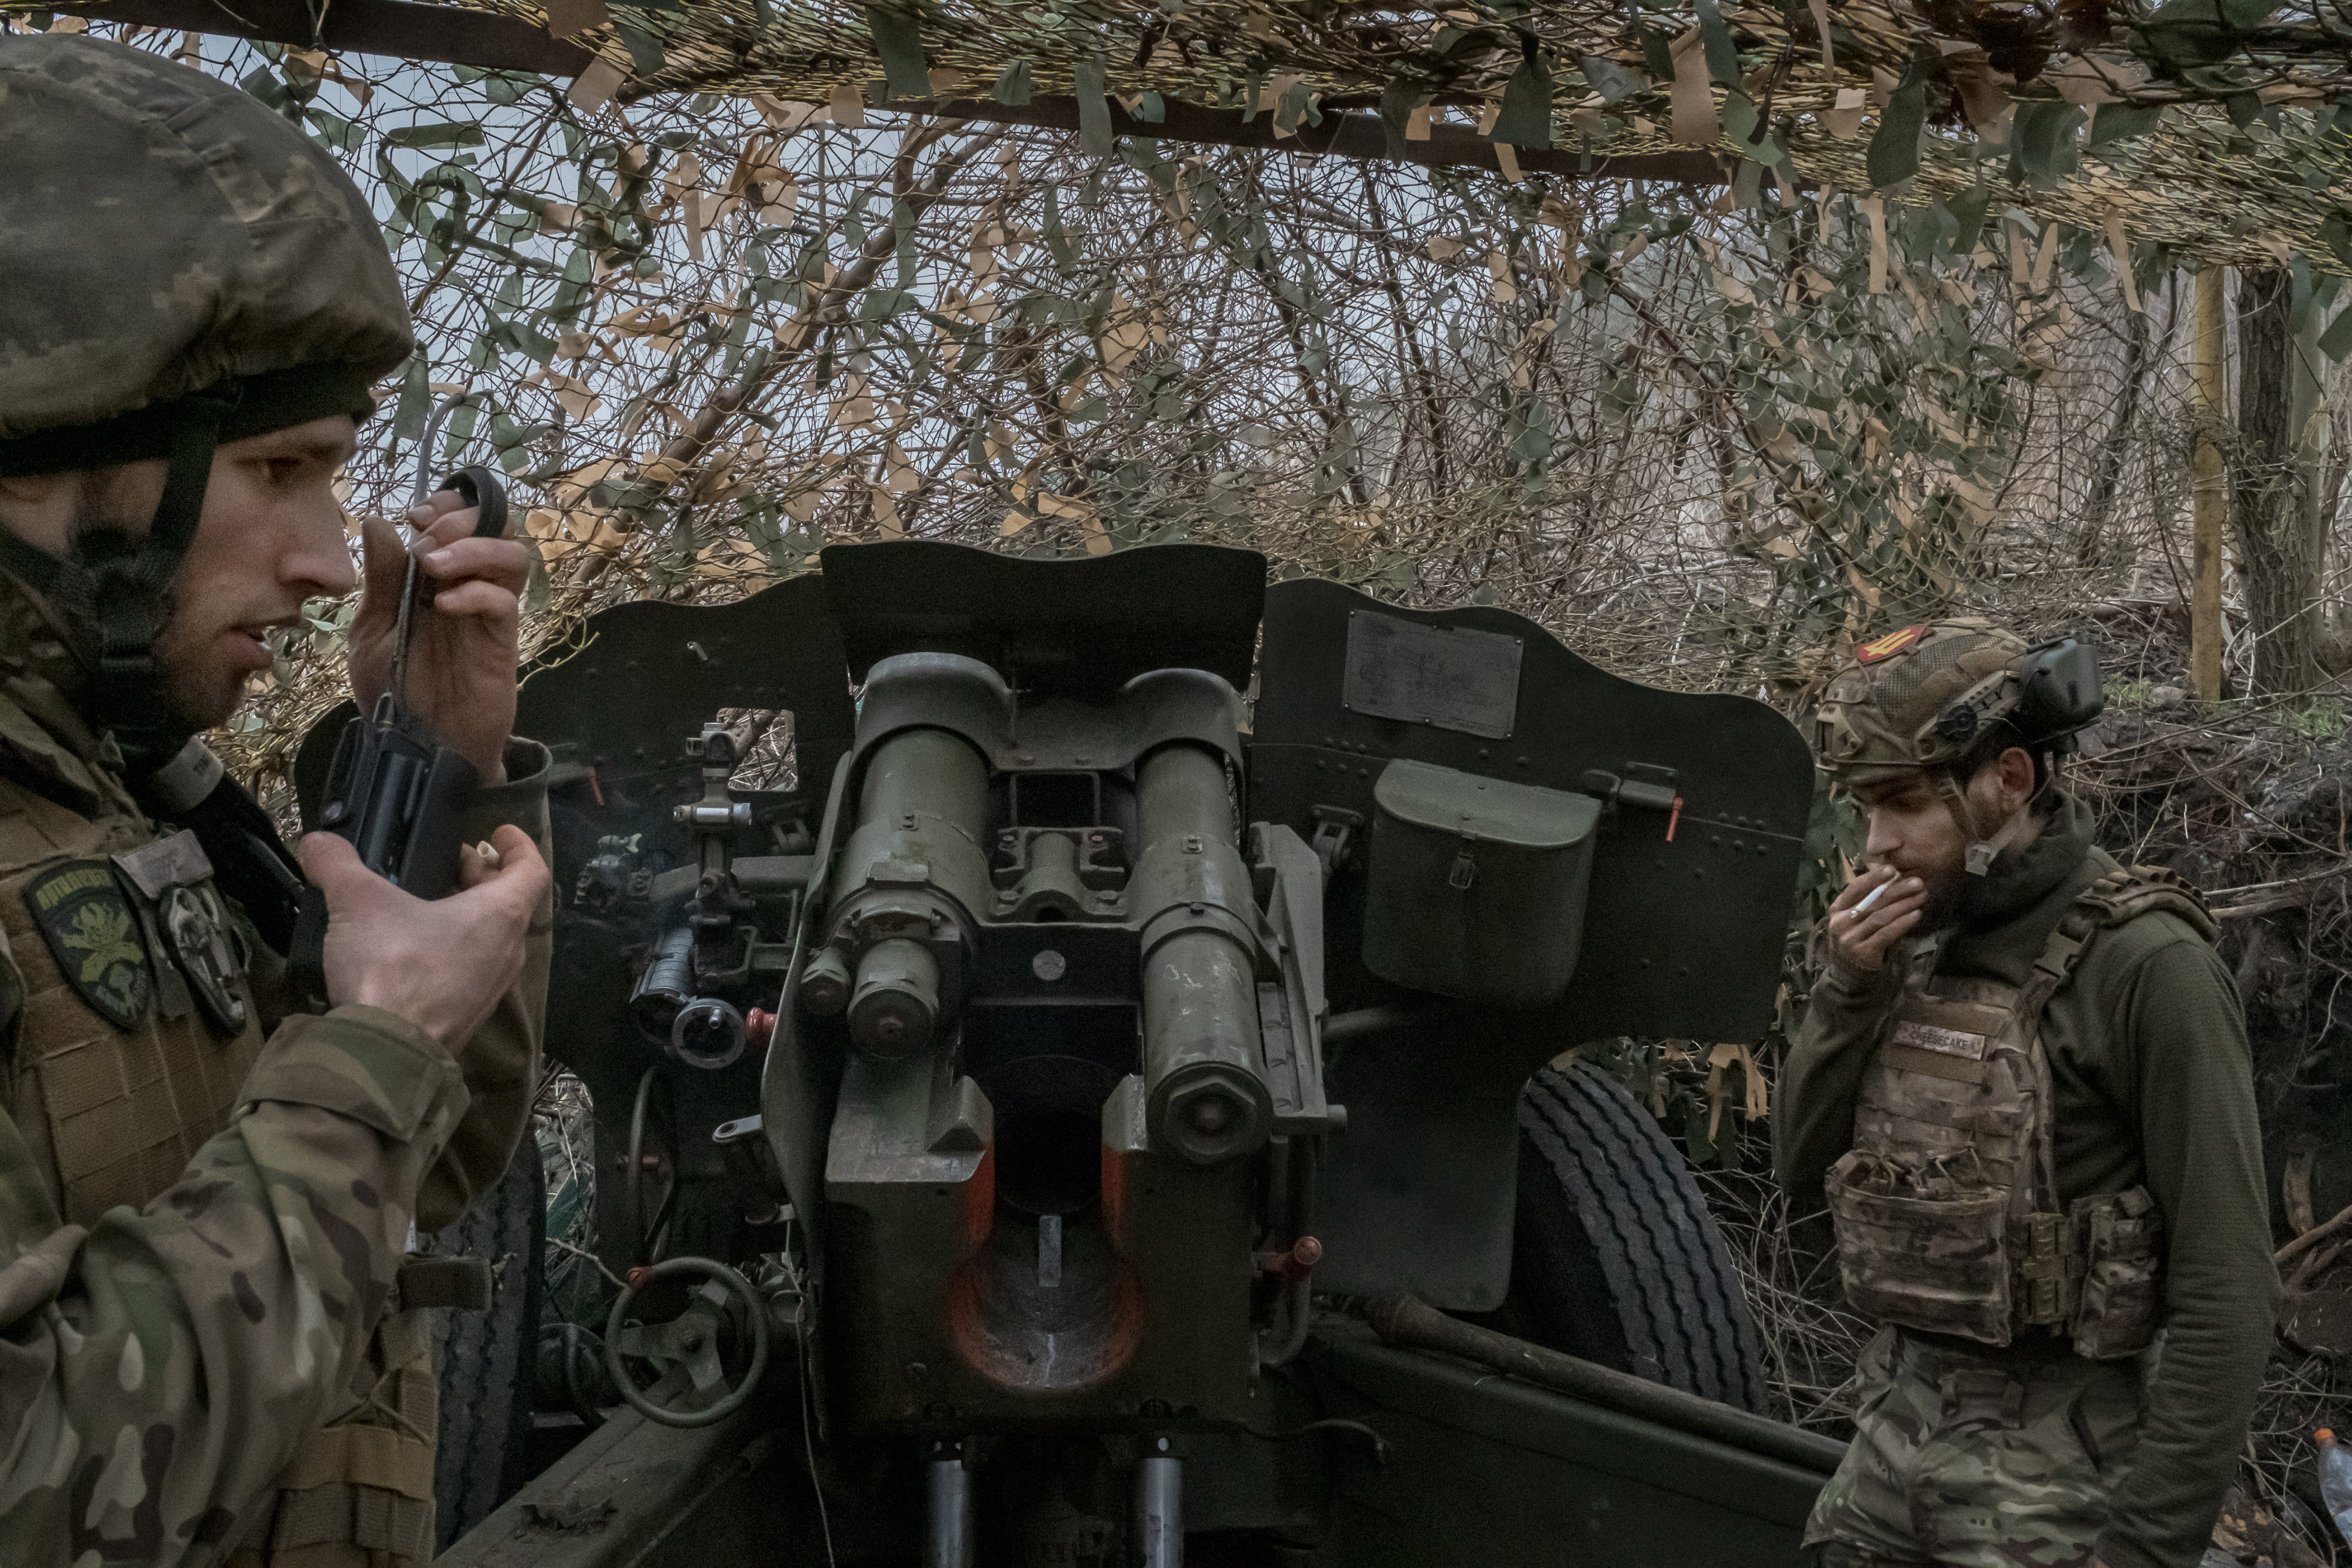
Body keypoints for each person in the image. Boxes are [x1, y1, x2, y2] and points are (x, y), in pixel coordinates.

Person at [0, 32, 554, 1567]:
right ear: (39, 469)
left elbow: (404, 1182)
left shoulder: (107, 792)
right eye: (275, 472)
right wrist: (377, 1043)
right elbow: (35, 1483)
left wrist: (432, 767)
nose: (327, 556)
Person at [1775, 619, 2276, 1568]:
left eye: (1901, 806)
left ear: (2009, 782)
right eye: (1861, 808)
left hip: (2066, 1488)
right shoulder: (1909, 939)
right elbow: (1799, 1169)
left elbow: (2228, 1291)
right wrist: (1848, 995)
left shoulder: (2149, 967)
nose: (1875, 844)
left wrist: (2145, 1550)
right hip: (1889, 1450)